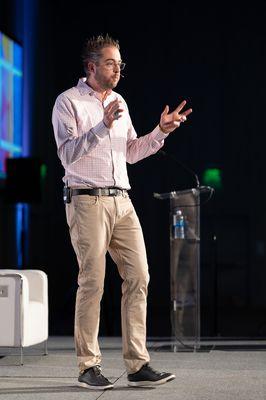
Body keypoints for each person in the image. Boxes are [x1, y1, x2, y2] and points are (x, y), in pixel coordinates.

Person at [52, 34, 192, 390]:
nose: (118, 69)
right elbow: (68, 154)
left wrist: (160, 132)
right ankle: (88, 365)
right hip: (87, 201)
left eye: (120, 64)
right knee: (93, 282)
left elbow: (130, 152)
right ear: (92, 66)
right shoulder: (68, 102)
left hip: (122, 202)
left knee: (139, 277)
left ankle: (137, 363)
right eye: (112, 63)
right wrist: (102, 126)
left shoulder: (119, 101)